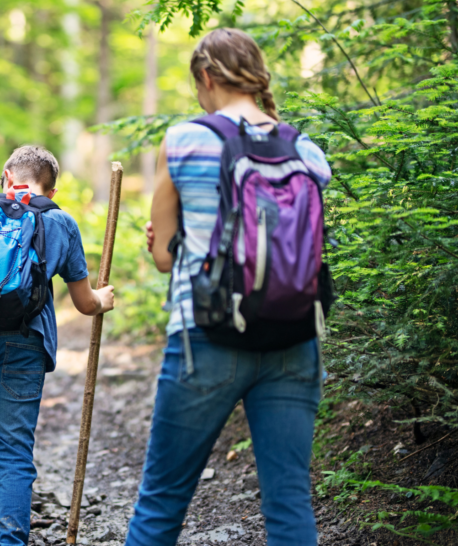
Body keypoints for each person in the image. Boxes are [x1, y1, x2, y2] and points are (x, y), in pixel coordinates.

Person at [126, 28, 332, 546]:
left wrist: (166, 238)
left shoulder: (183, 139)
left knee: (161, 503)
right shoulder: (304, 149)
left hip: (205, 337)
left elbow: (161, 258)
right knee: (289, 503)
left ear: (207, 76)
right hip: (294, 337)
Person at [0, 146, 116, 545]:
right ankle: (9, 539)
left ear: (8, 176)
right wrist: (104, 300)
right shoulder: (61, 221)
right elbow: (84, 303)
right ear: (53, 189)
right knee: (14, 448)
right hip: (25, 340)